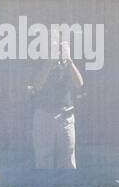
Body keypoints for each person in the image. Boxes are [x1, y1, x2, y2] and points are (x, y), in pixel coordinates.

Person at [28, 41, 84, 169]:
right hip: (44, 116)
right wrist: (50, 62)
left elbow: (79, 84)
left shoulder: (68, 64)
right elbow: (37, 85)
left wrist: (69, 60)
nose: (57, 50)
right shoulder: (38, 60)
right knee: (43, 159)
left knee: (68, 160)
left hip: (65, 117)